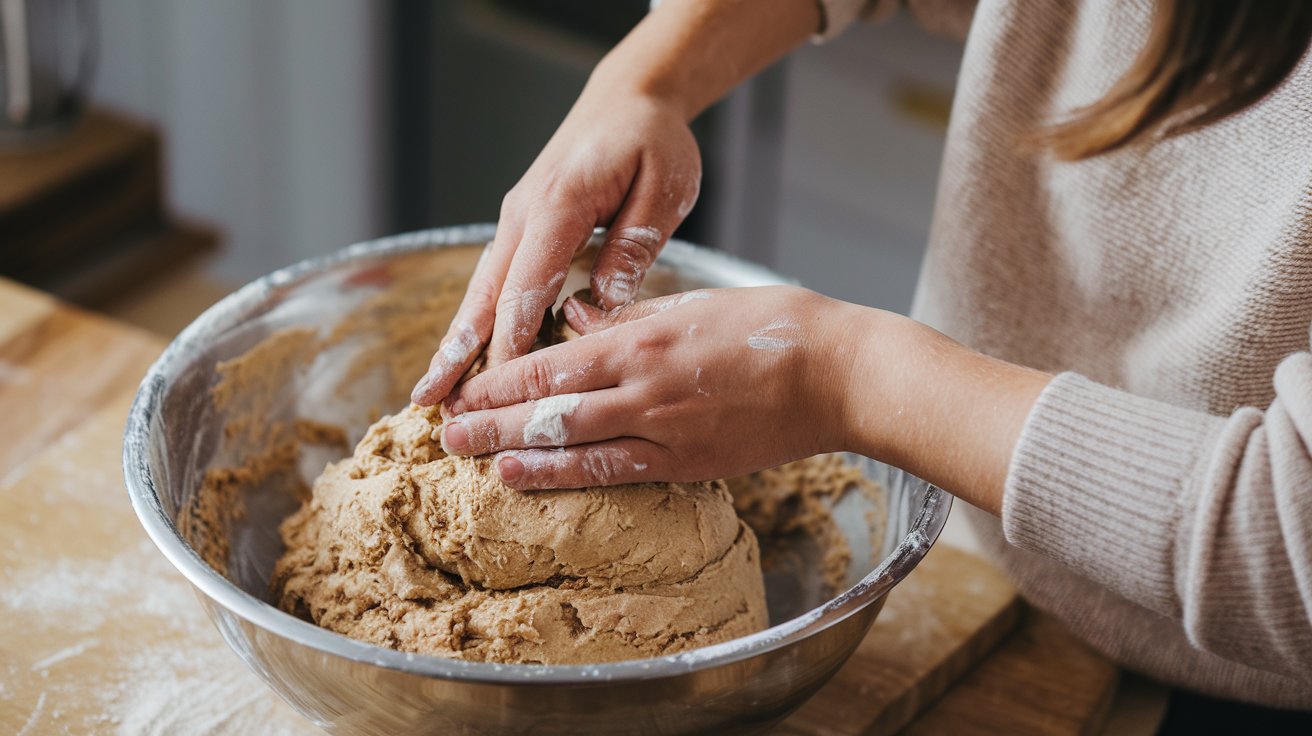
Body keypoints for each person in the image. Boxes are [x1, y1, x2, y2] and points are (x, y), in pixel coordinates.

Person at [410, 0, 1312, 720]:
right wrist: (647, 74)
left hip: (1224, 681)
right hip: (991, 551)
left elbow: (1289, 546)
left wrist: (843, 374)